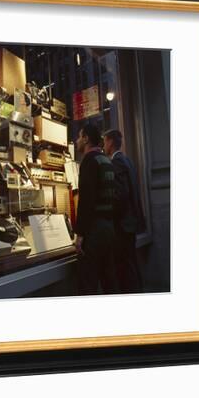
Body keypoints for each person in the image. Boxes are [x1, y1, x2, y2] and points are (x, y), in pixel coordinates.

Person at [74, 124, 118, 295]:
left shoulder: (89, 160)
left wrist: (80, 235)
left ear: (86, 139)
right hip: (108, 228)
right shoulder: (106, 160)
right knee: (109, 280)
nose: (77, 140)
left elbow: (86, 201)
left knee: (88, 284)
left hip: (93, 231)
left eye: (79, 136)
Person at [103, 129, 146, 293]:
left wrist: (109, 214)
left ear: (111, 142)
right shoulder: (127, 160)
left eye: (105, 141)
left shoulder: (117, 162)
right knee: (132, 264)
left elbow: (121, 194)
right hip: (131, 222)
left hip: (122, 225)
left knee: (125, 269)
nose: (103, 145)